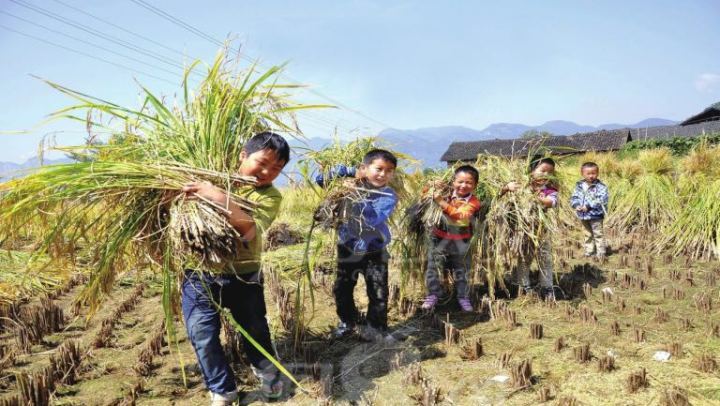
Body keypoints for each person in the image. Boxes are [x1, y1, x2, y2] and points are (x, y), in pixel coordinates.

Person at [180, 132, 289, 405]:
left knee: (255, 330)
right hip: (198, 273)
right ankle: (222, 390)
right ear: (243, 155)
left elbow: (250, 230)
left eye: (276, 169)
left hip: (244, 274)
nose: (266, 172)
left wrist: (215, 196)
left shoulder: (269, 196)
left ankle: (268, 376)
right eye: (262, 162)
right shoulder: (212, 177)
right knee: (201, 334)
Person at [315, 149, 398, 342]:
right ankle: (348, 322)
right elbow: (321, 179)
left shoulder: (388, 195)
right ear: (364, 168)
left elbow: (370, 220)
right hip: (348, 248)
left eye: (389, 171)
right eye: (378, 169)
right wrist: (351, 172)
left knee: (378, 290)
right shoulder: (346, 185)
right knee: (342, 289)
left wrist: (355, 195)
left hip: (375, 251)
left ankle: (377, 328)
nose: (383, 174)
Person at [421, 165, 482, 312]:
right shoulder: (445, 193)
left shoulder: (474, 202)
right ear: (453, 182)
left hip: (461, 242)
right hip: (438, 239)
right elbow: (423, 197)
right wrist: (431, 186)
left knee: (462, 270)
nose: (463, 185)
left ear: (475, 185)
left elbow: (461, 217)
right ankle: (433, 295)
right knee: (433, 268)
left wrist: (441, 202)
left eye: (468, 182)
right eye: (460, 181)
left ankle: (463, 297)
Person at [501, 157, 558, 300]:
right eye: (542, 171)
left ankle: (547, 287)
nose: (546, 175)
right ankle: (524, 286)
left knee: (545, 258)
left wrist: (536, 197)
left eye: (550, 172)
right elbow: (500, 196)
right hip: (522, 231)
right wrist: (507, 187)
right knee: (524, 258)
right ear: (531, 170)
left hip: (541, 231)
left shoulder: (550, 190)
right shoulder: (520, 186)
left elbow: (551, 202)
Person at [570, 161, 609, 259]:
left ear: (598, 173)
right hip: (583, 215)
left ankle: (601, 253)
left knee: (598, 234)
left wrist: (588, 206)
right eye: (588, 173)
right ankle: (589, 251)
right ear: (582, 174)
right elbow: (574, 197)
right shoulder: (579, 186)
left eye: (594, 173)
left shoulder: (601, 187)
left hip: (595, 215)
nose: (591, 176)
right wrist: (576, 205)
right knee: (587, 234)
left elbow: (601, 199)